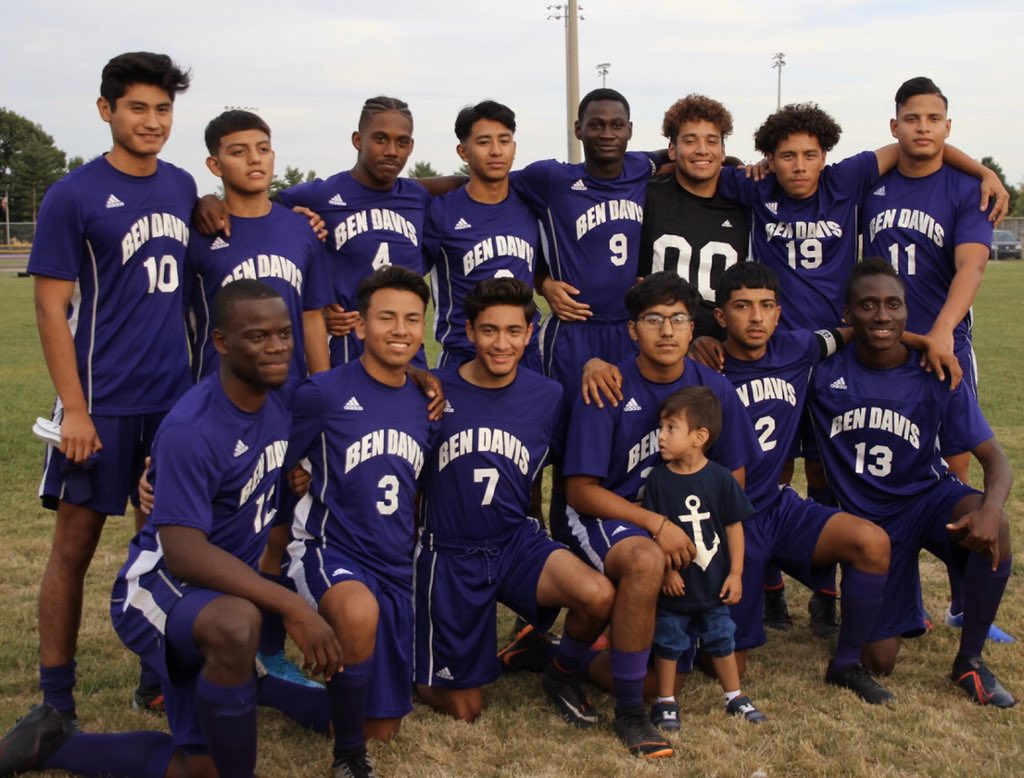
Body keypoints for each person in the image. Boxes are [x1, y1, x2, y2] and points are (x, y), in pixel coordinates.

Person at [0, 280, 342, 778]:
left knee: (197, 768)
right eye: (258, 336)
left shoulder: (284, 394)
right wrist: (291, 606)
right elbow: (183, 554)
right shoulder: (193, 427)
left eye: (283, 334)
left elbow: (360, 387)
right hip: (160, 585)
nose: (276, 347)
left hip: (219, 593)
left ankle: (51, 746)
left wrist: (423, 382)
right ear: (221, 342)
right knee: (236, 624)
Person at [27, 51, 196, 727]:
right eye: (138, 108)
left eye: (162, 109)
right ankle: (55, 699)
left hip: (173, 403)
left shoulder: (184, 186)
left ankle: (156, 678)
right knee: (74, 547)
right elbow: (50, 309)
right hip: (101, 406)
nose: (152, 121)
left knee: (164, 543)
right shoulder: (73, 194)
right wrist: (74, 408)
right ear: (106, 111)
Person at [559, 271, 758, 758]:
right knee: (648, 559)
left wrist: (700, 544)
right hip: (607, 517)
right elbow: (581, 492)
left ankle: (563, 663)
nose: (667, 331)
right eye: (653, 319)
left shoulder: (714, 391)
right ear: (632, 330)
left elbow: (732, 481)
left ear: (694, 329)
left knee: (671, 676)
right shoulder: (607, 385)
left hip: (681, 529)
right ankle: (630, 715)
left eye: (678, 319)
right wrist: (658, 525)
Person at [807, 259, 1014, 707]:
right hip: (872, 526)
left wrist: (991, 509)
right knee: (879, 661)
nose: (882, 316)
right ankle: (904, 601)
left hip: (929, 500)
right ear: (847, 315)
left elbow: (996, 461)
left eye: (893, 305)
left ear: (906, 311)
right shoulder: (821, 375)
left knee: (992, 526)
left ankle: (971, 660)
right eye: (867, 305)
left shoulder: (935, 370)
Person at [414, 278, 614, 723]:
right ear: (469, 332)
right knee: (466, 709)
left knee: (598, 596)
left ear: (528, 333)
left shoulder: (547, 395)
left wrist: (593, 363)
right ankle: (416, 652)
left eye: (512, 331)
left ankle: (558, 667)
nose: (501, 343)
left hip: (514, 542)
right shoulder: (432, 391)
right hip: (450, 553)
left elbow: (571, 464)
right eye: (489, 330)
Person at [703, 262, 903, 703]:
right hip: (728, 522)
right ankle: (708, 624)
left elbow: (856, 332)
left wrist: (928, 343)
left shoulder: (798, 347)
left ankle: (846, 664)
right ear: (720, 317)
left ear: (779, 314)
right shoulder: (703, 367)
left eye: (766, 306)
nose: (755, 318)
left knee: (871, 543)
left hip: (777, 507)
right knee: (728, 667)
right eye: (742, 307)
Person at [184, 108, 334, 689]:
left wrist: (320, 392)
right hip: (224, 405)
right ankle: (193, 648)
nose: (254, 159)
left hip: (290, 400)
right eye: (239, 150)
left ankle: (268, 650)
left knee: (280, 525)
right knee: (222, 527)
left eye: (263, 148)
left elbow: (314, 315)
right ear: (214, 163)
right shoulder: (201, 231)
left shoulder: (300, 228)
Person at [285, 266, 440, 778]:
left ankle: (269, 689)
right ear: (359, 326)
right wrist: (298, 473)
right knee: (356, 610)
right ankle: (349, 761)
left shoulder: (426, 398)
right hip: (332, 551)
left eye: (412, 319)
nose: (400, 330)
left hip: (395, 564)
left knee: (382, 724)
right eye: (387, 318)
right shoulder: (322, 392)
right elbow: (277, 458)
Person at [512, 88, 664, 401]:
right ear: (578, 129)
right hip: (574, 327)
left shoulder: (640, 167)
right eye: (596, 124)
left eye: (616, 125)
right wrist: (542, 282)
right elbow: (485, 183)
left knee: (627, 423)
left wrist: (732, 161)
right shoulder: (550, 178)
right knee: (568, 422)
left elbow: (679, 157)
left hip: (630, 326)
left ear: (630, 130)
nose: (607, 133)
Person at [643, 387, 765, 729]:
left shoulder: (721, 479)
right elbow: (652, 535)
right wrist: (666, 573)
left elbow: (733, 527)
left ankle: (734, 696)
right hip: (676, 590)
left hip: (712, 587)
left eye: (671, 429)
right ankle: (666, 700)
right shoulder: (657, 481)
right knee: (668, 641)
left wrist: (736, 573)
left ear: (699, 437)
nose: (661, 437)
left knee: (722, 638)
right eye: (661, 428)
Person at [425, 101, 543, 372]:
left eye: (505, 140)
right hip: (463, 357)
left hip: (524, 356)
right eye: (483, 142)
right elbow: (407, 280)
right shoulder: (441, 212)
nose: (496, 151)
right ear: (463, 151)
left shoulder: (532, 204)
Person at [637, 94, 750, 339]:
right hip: (658, 339)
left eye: (711, 141)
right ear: (672, 149)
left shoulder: (744, 205)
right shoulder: (647, 196)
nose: (702, 150)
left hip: (720, 346)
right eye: (690, 141)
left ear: (722, 150)